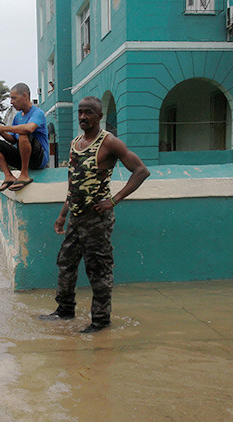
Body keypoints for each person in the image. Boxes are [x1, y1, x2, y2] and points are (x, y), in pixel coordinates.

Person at [40, 96, 150, 333]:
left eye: (88, 112)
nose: (82, 117)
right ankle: (64, 311)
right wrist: (62, 215)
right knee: (66, 264)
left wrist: (114, 200)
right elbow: (74, 184)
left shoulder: (109, 143)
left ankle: (100, 321)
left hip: (97, 219)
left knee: (98, 270)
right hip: (75, 218)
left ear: (99, 116)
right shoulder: (74, 143)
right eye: (80, 112)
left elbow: (141, 171)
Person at [0, 83, 49, 192]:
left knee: (23, 133)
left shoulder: (37, 113)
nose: (11, 102)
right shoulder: (18, 117)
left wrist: (3, 128)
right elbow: (13, 140)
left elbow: (28, 129)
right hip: (23, 156)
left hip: (39, 159)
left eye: (14, 98)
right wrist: (0, 131)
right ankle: (8, 176)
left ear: (25, 96)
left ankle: (24, 174)